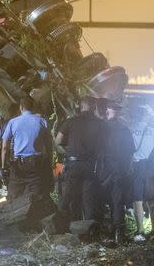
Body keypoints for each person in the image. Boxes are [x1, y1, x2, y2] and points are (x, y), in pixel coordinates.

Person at [55, 96, 106, 224]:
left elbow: (57, 143)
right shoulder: (101, 124)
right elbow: (105, 146)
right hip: (91, 166)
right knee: (88, 199)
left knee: (68, 198)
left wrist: (69, 152)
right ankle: (88, 232)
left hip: (73, 165)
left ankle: (61, 226)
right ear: (94, 107)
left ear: (81, 106)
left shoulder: (71, 121)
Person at [1, 97, 53, 204]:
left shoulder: (12, 122)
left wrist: (3, 167)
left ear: (21, 107)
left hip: (18, 165)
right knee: (37, 198)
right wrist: (49, 164)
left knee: (13, 198)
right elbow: (49, 146)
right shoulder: (42, 121)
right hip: (37, 165)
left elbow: (4, 148)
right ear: (33, 107)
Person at [101, 101, 135, 243]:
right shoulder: (124, 130)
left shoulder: (100, 128)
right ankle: (118, 234)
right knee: (117, 202)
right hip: (119, 169)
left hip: (102, 170)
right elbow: (130, 152)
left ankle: (104, 232)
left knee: (101, 201)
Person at [130, 104, 154, 242]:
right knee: (151, 197)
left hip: (135, 167)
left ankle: (140, 231)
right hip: (149, 167)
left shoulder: (130, 129)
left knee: (137, 199)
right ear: (148, 116)